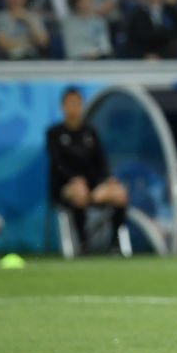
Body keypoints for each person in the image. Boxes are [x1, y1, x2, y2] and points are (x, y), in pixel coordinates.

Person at [46, 87, 128, 253]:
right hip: (66, 188)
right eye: (70, 104)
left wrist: (107, 180)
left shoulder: (90, 132)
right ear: (62, 106)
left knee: (119, 193)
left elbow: (101, 163)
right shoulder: (54, 133)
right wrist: (74, 179)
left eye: (77, 103)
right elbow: (57, 164)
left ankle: (114, 244)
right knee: (79, 192)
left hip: (92, 185)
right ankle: (83, 244)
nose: (74, 108)